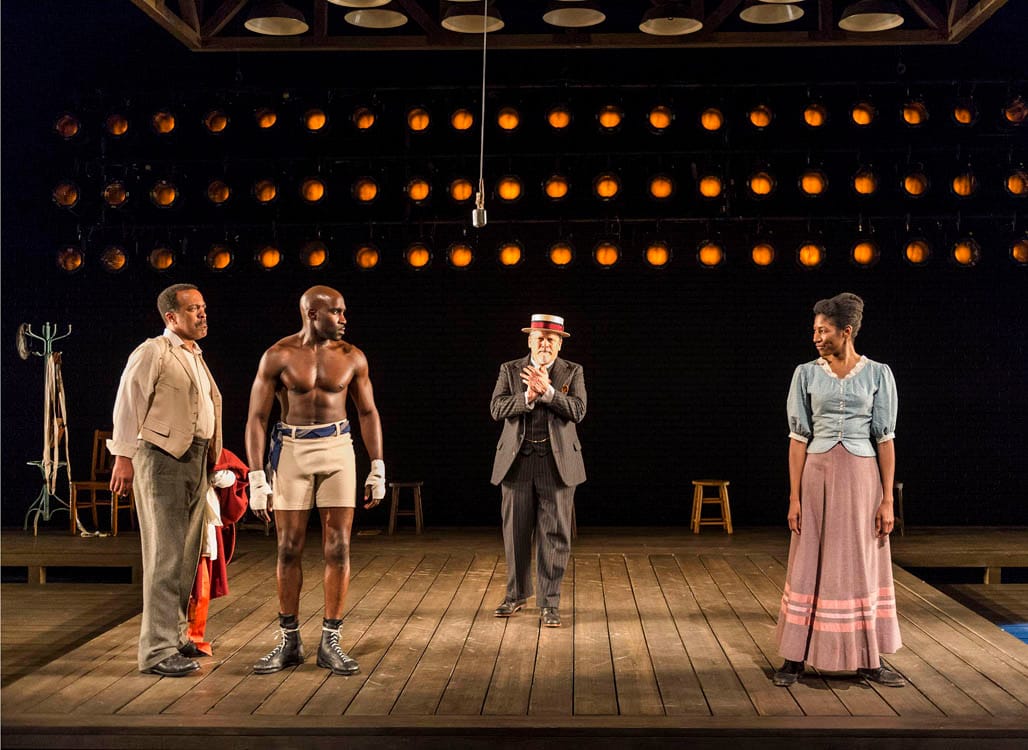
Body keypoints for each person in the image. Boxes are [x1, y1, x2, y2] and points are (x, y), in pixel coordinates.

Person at [245, 286, 385, 676]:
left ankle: (330, 640)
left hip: (338, 448)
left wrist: (377, 467)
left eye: (344, 312)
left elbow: (368, 412)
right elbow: (256, 418)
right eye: (337, 313)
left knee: (338, 546)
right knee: (288, 547)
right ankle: (289, 641)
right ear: (312, 314)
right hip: (291, 450)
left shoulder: (352, 357)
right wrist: (257, 476)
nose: (344, 319)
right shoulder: (278, 355)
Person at [773, 293, 906, 688]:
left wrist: (886, 501)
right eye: (814, 330)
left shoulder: (879, 374)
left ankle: (868, 658)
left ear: (845, 332)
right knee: (809, 557)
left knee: (862, 561)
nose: (815, 336)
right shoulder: (806, 374)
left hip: (862, 477)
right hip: (817, 475)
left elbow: (885, 439)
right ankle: (794, 657)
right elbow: (798, 438)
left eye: (823, 330)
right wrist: (794, 497)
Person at [108, 283, 222, 677]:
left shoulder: (195, 355)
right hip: (161, 461)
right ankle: (156, 651)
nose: (202, 314)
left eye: (203, 307)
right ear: (171, 317)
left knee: (187, 556)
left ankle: (174, 636)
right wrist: (123, 458)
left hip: (194, 462)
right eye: (193, 309)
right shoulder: (153, 351)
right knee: (164, 556)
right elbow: (128, 403)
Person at [490, 314, 586, 628]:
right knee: (515, 533)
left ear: (559, 344)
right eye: (539, 338)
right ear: (529, 341)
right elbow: (497, 409)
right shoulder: (510, 369)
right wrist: (528, 396)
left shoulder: (572, 371)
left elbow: (578, 411)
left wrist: (549, 392)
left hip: (556, 465)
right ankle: (515, 595)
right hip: (517, 462)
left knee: (555, 535)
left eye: (551, 339)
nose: (545, 344)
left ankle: (550, 604)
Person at [183, 448, 249, 658]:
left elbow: (228, 475)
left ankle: (192, 636)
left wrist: (214, 476)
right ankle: (175, 637)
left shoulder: (211, 448)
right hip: (178, 503)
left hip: (201, 510)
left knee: (200, 577)